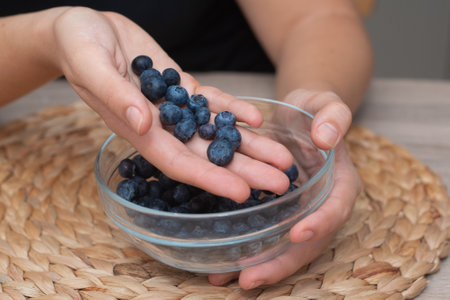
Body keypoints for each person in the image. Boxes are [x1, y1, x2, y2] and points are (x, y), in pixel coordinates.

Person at [0, 0, 373, 290]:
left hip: (249, 89)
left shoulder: (194, 115)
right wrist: (47, 37)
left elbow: (316, 17)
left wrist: (305, 108)